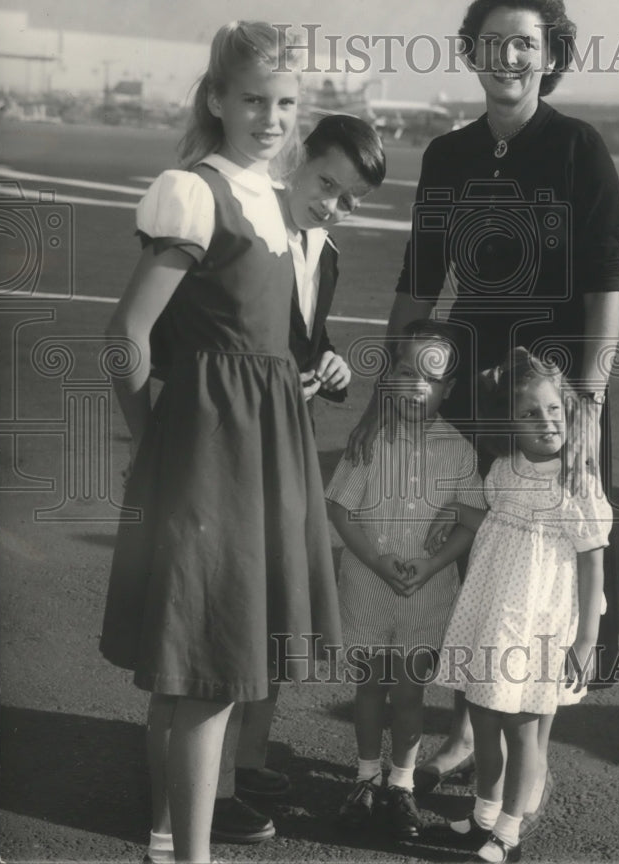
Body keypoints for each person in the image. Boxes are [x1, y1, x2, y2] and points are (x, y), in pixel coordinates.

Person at [346, 0, 619, 825]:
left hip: (552, 391)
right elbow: (419, 278)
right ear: (470, 50)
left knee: (541, 560)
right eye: (493, 40)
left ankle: (521, 752)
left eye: (526, 43)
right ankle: (468, 731)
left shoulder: (578, 148)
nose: (507, 56)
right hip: (471, 377)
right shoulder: (449, 154)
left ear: (549, 60)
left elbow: (605, 292)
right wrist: (383, 385)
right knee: (471, 553)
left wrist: (585, 402)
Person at [99, 20, 341, 864]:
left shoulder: (277, 202)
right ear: (216, 99)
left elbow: (263, 342)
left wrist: (292, 377)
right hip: (207, 454)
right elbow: (127, 335)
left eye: (285, 102)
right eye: (252, 100)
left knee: (191, 671)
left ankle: (166, 840)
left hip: (263, 451)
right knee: (206, 674)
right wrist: (148, 440)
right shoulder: (195, 191)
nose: (271, 118)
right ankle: (190, 857)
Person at [212, 115, 387, 840]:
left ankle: (245, 763)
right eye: (325, 183)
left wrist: (334, 366)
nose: (331, 204)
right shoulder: (250, 234)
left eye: (349, 198)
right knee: (229, 617)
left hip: (287, 444)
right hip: (233, 449)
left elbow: (303, 343)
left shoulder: (326, 251)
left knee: (274, 609)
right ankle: (211, 791)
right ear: (298, 159)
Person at [435, 348, 613, 863]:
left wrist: (585, 641)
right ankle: (485, 813)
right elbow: (482, 523)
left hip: (540, 624)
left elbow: (592, 561)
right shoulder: (504, 470)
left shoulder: (577, 481)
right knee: (484, 719)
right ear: (509, 422)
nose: (546, 422)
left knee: (523, 730)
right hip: (492, 615)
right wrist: (440, 519)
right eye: (531, 413)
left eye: (553, 410)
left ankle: (509, 832)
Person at [326, 321, 487, 840]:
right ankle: (365, 778)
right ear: (387, 381)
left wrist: (432, 567)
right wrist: (376, 562)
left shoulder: (460, 450)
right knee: (369, 686)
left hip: (428, 592)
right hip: (368, 584)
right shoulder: (368, 440)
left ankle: (401, 785)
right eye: (404, 371)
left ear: (449, 389)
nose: (417, 384)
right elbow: (340, 510)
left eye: (431, 376)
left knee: (411, 693)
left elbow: (470, 520)